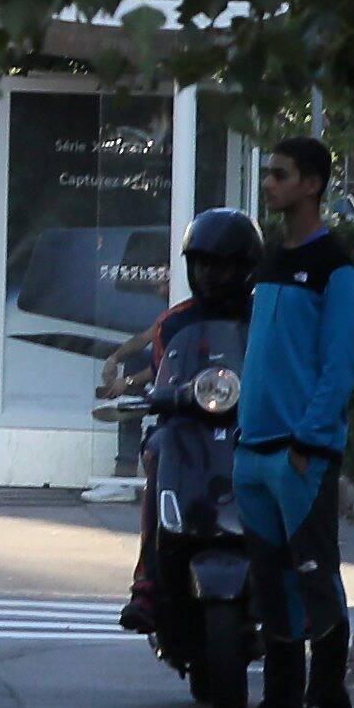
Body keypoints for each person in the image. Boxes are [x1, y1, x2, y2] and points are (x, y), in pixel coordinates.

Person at [221, 136, 354, 708]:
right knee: (268, 583)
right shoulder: (273, 259)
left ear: (312, 184)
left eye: (280, 175)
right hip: (254, 450)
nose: (269, 184)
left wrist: (307, 443)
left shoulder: (336, 267)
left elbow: (339, 367)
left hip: (299, 456)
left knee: (314, 581)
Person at [103, 208, 260, 631]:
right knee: (157, 450)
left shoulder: (265, 314)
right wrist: (161, 394)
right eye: (202, 263)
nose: (211, 274)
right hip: (188, 427)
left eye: (223, 264)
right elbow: (164, 370)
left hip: (250, 425)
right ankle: (147, 583)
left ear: (245, 267)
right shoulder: (175, 321)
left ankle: (288, 577)